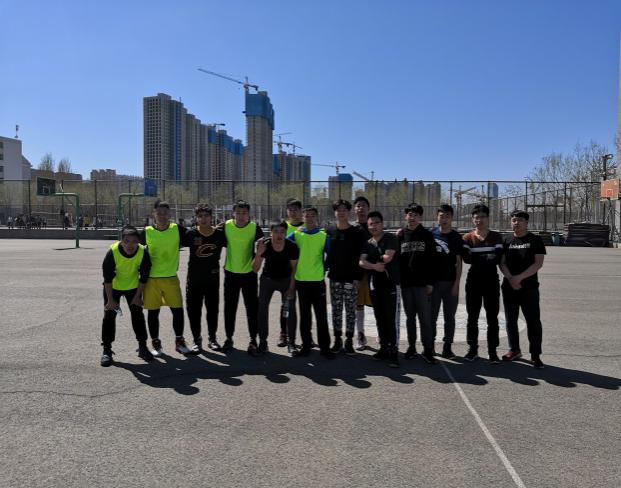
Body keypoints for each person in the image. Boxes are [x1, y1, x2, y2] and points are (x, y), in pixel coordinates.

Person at [140, 200, 190, 357]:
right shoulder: (146, 232)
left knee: (178, 311)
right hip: (152, 280)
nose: (162, 216)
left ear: (170, 214)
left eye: (165, 213)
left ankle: (179, 341)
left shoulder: (178, 229)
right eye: (159, 213)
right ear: (154, 214)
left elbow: (196, 237)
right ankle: (155, 342)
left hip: (170, 278)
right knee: (153, 313)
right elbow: (134, 252)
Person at [499, 210, 546, 369]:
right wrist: (510, 278)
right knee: (511, 321)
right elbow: (502, 263)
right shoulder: (506, 240)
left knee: (533, 321)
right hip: (509, 287)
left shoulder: (535, 240)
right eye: (513, 220)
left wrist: (519, 278)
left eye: (519, 220)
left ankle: (535, 355)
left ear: (526, 223)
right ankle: (514, 350)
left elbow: (538, 263)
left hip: (529, 288)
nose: (516, 223)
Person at [100, 226, 153, 366]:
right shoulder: (112, 252)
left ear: (139, 242)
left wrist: (138, 296)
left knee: (138, 316)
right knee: (109, 317)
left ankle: (143, 347)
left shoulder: (143, 252)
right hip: (113, 287)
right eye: (127, 241)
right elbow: (107, 278)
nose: (130, 245)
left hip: (133, 287)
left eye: (134, 241)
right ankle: (106, 350)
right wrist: (110, 300)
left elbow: (144, 277)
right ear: (121, 241)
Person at [288, 206, 333, 359]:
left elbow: (330, 255)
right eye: (307, 215)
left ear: (316, 218)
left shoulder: (323, 236)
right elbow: (282, 243)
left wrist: (324, 267)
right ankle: (306, 346)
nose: (309, 218)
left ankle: (325, 348)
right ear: (303, 217)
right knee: (305, 316)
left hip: (318, 282)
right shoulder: (296, 234)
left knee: (321, 316)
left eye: (312, 215)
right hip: (301, 282)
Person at [462, 204, 504, 363]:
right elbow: (467, 259)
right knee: (472, 317)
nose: (479, 220)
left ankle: (492, 351)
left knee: (492, 317)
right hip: (473, 280)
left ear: (488, 218)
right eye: (476, 217)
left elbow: (497, 258)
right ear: (473, 219)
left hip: (491, 280)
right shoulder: (467, 237)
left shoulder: (496, 237)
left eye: (482, 217)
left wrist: (478, 257)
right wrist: (487, 257)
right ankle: (472, 349)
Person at [397, 203, 438, 364]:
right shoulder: (401, 235)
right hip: (406, 284)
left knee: (425, 319)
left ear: (420, 217)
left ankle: (427, 349)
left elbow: (433, 260)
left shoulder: (427, 235)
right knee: (410, 319)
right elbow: (397, 260)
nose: (412, 217)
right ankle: (412, 347)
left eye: (415, 215)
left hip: (422, 285)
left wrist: (430, 283)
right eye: (410, 214)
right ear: (405, 216)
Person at [360, 211, 401, 368]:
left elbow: (387, 257)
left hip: (391, 286)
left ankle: (393, 351)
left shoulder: (391, 238)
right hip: (375, 286)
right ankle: (384, 348)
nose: (374, 226)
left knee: (391, 320)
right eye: (371, 224)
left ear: (382, 224)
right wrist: (373, 266)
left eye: (377, 223)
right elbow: (361, 262)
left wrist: (370, 261)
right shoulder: (368, 243)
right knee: (380, 318)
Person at [184, 203, 227, 353]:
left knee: (212, 310)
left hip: (212, 279)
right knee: (194, 311)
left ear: (211, 217)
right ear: (196, 218)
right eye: (200, 216)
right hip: (194, 279)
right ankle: (197, 340)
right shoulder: (190, 234)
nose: (203, 219)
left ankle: (212, 338)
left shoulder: (219, 234)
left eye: (206, 216)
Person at [223, 200, 264, 355]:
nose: (241, 216)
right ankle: (228, 338)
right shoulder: (226, 226)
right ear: (233, 213)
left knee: (252, 309)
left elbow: (264, 247)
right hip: (231, 274)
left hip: (249, 275)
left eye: (244, 213)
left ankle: (253, 339)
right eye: (238, 213)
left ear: (249, 214)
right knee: (229, 308)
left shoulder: (254, 228)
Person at [326, 199, 366, 355]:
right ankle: (337, 340)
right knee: (336, 310)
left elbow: (361, 255)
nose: (341, 213)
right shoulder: (329, 230)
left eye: (344, 210)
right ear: (334, 212)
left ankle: (349, 340)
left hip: (351, 279)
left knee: (350, 310)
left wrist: (358, 277)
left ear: (348, 212)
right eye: (338, 210)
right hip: (335, 277)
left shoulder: (357, 232)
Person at [253, 221, 299, 355]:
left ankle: (291, 342)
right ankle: (263, 342)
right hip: (268, 280)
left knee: (289, 310)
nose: (279, 235)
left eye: (282, 232)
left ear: (286, 233)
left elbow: (294, 269)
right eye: (276, 231)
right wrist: (258, 253)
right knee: (262, 309)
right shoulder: (265, 245)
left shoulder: (292, 246)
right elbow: (255, 269)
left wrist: (291, 288)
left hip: (286, 281)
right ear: (271, 232)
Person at [430, 204, 463, 359]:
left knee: (449, 318)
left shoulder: (456, 237)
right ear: (437, 217)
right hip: (434, 284)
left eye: (447, 216)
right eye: (441, 216)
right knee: (432, 317)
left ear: (452, 218)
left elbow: (459, 263)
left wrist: (456, 284)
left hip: (450, 284)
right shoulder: (431, 234)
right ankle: (430, 346)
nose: (444, 219)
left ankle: (447, 347)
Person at [278, 197, 304, 347]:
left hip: (305, 273)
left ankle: (306, 335)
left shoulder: (307, 226)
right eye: (290, 210)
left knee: (305, 307)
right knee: (286, 305)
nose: (293, 212)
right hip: (287, 274)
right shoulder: (283, 227)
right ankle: (283, 333)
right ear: (287, 211)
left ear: (301, 211)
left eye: (296, 209)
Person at [353, 196, 372, 350]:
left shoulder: (374, 226)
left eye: (364, 205)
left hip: (374, 272)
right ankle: (360, 335)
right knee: (358, 305)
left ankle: (382, 333)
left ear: (368, 208)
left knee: (378, 304)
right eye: (358, 205)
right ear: (355, 209)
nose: (361, 208)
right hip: (358, 274)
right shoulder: (352, 229)